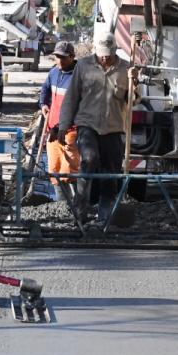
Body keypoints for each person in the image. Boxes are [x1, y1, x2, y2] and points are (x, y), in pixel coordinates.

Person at [57, 33, 139, 223]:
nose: (104, 57)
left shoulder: (126, 69)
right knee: (89, 158)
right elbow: (71, 98)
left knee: (110, 171)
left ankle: (105, 215)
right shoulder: (84, 67)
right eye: (102, 54)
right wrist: (64, 125)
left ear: (114, 51)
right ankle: (80, 207)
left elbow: (132, 100)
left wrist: (134, 82)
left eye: (108, 54)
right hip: (88, 124)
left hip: (113, 127)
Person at [39, 41, 80, 197]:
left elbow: (79, 107)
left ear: (72, 57)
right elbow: (45, 89)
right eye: (57, 57)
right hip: (53, 131)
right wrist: (43, 104)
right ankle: (61, 206)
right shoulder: (54, 72)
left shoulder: (78, 77)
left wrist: (61, 126)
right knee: (54, 170)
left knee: (69, 172)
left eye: (63, 58)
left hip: (70, 131)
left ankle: (76, 205)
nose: (59, 61)